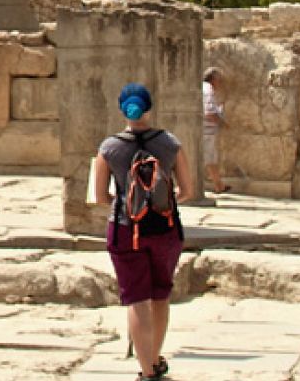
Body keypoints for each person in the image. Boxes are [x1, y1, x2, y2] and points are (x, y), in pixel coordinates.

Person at [91, 83, 198, 381]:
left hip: (125, 230)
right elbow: (188, 191)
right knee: (160, 296)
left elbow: (100, 197)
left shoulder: (108, 148)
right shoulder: (170, 143)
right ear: (149, 108)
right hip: (164, 228)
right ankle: (155, 357)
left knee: (137, 299)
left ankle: (147, 370)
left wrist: (125, 204)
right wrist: (160, 202)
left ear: (121, 109)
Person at [203, 68, 228, 194]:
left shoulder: (204, 88)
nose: (220, 84)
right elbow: (209, 112)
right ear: (214, 79)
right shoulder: (208, 89)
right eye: (219, 80)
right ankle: (219, 185)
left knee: (210, 158)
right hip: (206, 130)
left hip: (207, 130)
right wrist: (222, 122)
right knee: (210, 158)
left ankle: (219, 185)